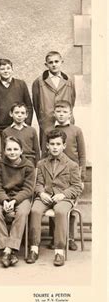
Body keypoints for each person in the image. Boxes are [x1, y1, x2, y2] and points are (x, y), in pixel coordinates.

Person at [26, 130, 82, 267]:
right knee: (35, 210)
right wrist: (40, 193)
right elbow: (38, 183)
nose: (55, 147)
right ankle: (34, 248)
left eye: (58, 144)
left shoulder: (72, 165)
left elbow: (77, 186)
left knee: (61, 211)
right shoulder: (41, 164)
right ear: (47, 146)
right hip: (45, 196)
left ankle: (59, 251)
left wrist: (63, 195)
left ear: (64, 145)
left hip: (63, 198)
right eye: (52, 144)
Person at [41, 100, 86, 251]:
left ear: (70, 113)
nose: (61, 114)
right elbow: (43, 153)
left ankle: (70, 237)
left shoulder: (76, 130)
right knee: (53, 200)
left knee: (69, 207)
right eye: (58, 112)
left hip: (71, 175)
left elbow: (82, 154)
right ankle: (56, 237)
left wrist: (82, 177)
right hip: (53, 173)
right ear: (54, 113)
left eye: (64, 112)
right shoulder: (48, 130)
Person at [0, 136, 35, 267]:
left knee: (22, 213)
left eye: (16, 149)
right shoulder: (0, 165)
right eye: (9, 149)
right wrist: (4, 200)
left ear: (21, 150)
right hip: (3, 196)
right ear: (4, 151)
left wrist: (15, 201)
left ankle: (8, 250)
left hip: (21, 197)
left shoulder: (28, 165)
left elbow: (28, 189)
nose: (12, 152)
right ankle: (7, 249)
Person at [32, 51, 76, 145]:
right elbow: (36, 104)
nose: (54, 64)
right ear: (46, 64)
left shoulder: (68, 81)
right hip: (47, 122)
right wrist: (43, 118)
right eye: (51, 62)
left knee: (65, 147)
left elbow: (72, 100)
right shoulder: (39, 82)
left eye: (56, 61)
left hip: (65, 121)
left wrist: (66, 114)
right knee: (48, 148)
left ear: (61, 62)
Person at [0, 58, 33, 131]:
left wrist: (27, 123)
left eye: (8, 68)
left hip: (20, 126)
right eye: (2, 69)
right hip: (3, 128)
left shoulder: (21, 84)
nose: (6, 71)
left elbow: (29, 106)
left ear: (12, 70)